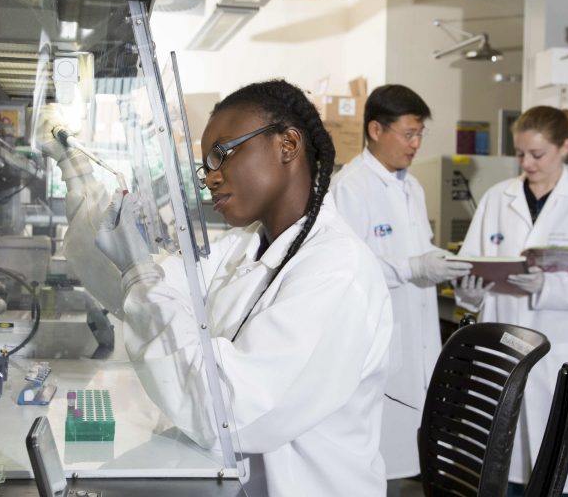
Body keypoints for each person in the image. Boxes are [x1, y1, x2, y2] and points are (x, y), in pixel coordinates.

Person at [46, 80, 393, 497]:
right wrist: (74, 169)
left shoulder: (337, 271)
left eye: (222, 154)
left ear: (287, 144)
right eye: (204, 165)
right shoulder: (241, 249)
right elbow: (130, 288)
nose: (210, 177)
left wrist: (139, 273)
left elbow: (227, 415)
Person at [454, 106, 568, 497]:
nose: (527, 163)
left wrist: (545, 286)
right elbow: (467, 269)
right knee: (505, 473)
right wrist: (471, 288)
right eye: (521, 153)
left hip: (565, 349)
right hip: (506, 354)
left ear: (565, 147)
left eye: (537, 154)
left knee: (563, 472)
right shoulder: (498, 198)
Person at [330, 84, 472, 491]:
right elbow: (346, 269)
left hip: (419, 342)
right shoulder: (350, 187)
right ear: (376, 129)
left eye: (420, 134)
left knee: (417, 458)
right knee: (380, 466)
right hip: (380, 347)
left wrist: (443, 264)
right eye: (409, 133)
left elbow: (418, 254)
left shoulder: (412, 186)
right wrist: (411, 267)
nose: (416, 144)